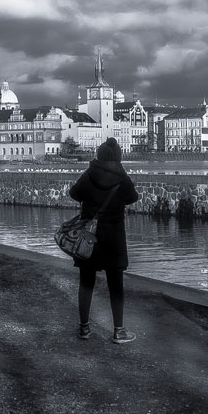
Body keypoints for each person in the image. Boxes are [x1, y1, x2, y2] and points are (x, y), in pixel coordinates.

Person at [68, 137, 140, 343]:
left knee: (86, 282)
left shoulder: (89, 174)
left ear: (99, 155)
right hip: (114, 239)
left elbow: (74, 194)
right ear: (118, 156)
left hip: (89, 237)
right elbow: (133, 198)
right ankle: (119, 331)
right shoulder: (122, 178)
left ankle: (84, 328)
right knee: (116, 285)